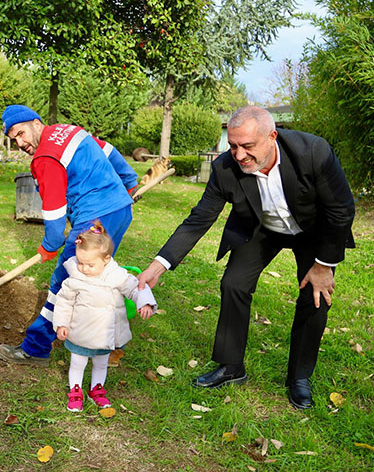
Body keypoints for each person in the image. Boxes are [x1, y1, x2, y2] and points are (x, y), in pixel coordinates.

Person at [137, 106, 355, 409]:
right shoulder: (225, 167)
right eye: (233, 145)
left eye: (248, 146)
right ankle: (231, 367)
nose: (239, 155)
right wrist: (159, 265)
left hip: (311, 230)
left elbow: (341, 209)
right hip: (260, 227)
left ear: (272, 137)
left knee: (314, 296)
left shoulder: (312, 152)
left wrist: (323, 265)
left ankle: (299, 377)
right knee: (234, 283)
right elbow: (200, 218)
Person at [0, 105, 140, 366]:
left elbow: (53, 211)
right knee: (98, 275)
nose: (20, 142)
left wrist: (50, 245)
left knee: (64, 281)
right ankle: (111, 344)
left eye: (21, 133)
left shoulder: (44, 158)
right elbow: (108, 150)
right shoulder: (69, 131)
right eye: (14, 138)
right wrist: (128, 180)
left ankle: (36, 348)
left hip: (95, 220)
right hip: (120, 211)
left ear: (36, 123)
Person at [53, 221, 156, 412]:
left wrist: (145, 302)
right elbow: (64, 301)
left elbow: (135, 288)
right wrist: (61, 324)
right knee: (77, 362)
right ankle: (75, 391)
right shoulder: (75, 278)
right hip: (80, 330)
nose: (84, 268)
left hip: (105, 333)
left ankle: (96, 390)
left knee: (101, 363)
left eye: (89, 264)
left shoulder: (117, 276)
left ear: (106, 259)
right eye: (80, 262)